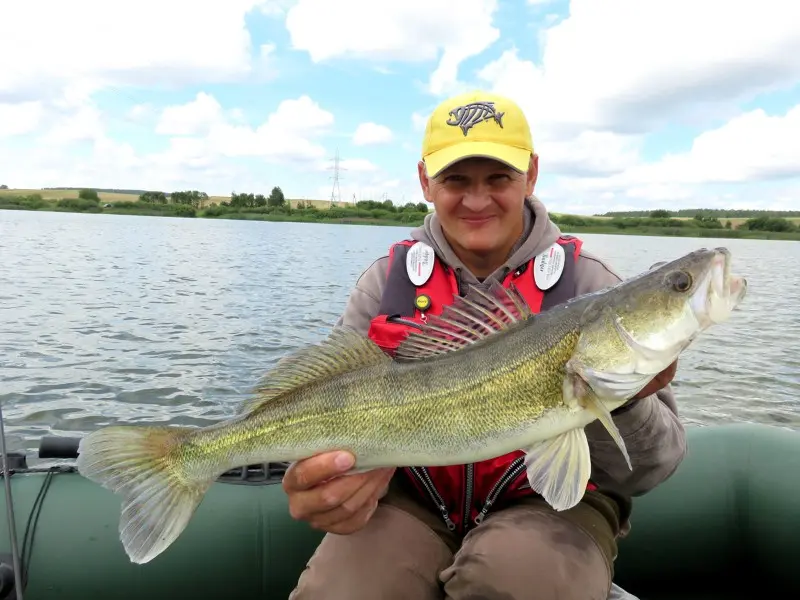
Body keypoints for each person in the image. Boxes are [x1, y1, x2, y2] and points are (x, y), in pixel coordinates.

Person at [284, 90, 686, 600]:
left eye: (499, 178)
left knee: (515, 579)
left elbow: (654, 466)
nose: (477, 200)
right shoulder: (384, 282)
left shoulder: (593, 287)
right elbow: (325, 400)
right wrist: (318, 482)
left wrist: (622, 399)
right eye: (455, 179)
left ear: (532, 174)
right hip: (411, 497)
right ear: (425, 181)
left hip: (552, 505)